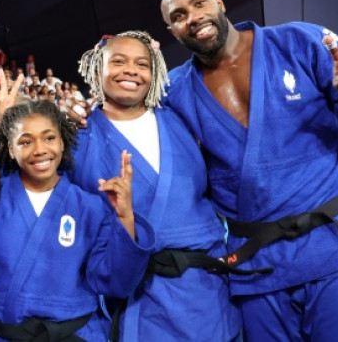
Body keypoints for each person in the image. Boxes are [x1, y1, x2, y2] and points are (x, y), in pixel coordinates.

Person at [159, 0, 338, 341]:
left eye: (199, 2)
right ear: (171, 31)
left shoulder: (298, 41)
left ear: (219, 1)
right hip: (257, 267)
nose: (193, 17)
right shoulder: (175, 92)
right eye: (178, 15)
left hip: (333, 248)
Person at [69, 32, 241, 341]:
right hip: (140, 298)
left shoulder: (180, 117)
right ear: (97, 68)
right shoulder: (75, 139)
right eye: (118, 61)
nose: (131, 70)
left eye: (142, 64)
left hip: (209, 292)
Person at [0, 98, 155, 341]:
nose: (40, 149)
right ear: (11, 149)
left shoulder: (90, 206)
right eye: (26, 142)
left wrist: (125, 215)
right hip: (8, 334)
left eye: (49, 138)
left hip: (76, 333)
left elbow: (114, 283)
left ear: (62, 142)